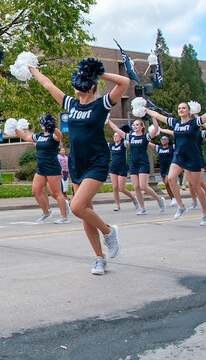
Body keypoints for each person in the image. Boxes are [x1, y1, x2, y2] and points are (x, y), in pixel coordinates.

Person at [29, 59, 128, 276]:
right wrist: (31, 68)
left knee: (77, 206)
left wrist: (98, 74)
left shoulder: (101, 104)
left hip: (96, 161)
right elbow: (48, 85)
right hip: (77, 163)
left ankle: (109, 232)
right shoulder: (71, 105)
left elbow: (124, 82)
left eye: (84, 81)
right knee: (85, 211)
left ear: (91, 86)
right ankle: (99, 258)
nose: (78, 85)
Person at [145, 99, 206, 225]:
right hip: (179, 156)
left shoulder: (195, 122)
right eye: (179, 108)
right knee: (170, 179)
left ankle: (205, 213)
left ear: (189, 110)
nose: (181, 110)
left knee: (196, 186)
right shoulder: (175, 123)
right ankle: (181, 206)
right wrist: (144, 109)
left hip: (193, 157)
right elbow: (158, 115)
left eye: (183, 108)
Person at [14, 116, 70, 223]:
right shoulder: (39, 136)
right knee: (36, 191)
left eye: (44, 123)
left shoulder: (53, 135)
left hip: (52, 167)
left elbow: (60, 135)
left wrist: (53, 128)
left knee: (57, 193)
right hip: (41, 168)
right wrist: (15, 129)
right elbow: (26, 137)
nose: (42, 125)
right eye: (42, 123)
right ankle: (46, 212)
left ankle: (64, 217)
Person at [109, 119, 163, 215]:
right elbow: (116, 129)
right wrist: (108, 119)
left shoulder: (145, 137)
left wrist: (153, 116)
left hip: (143, 163)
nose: (135, 126)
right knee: (136, 187)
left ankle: (159, 200)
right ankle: (143, 208)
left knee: (143, 186)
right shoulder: (130, 137)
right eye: (134, 125)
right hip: (133, 164)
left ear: (142, 127)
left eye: (137, 125)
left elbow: (155, 128)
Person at [107, 131, 137, 211]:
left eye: (117, 136)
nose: (115, 137)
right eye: (114, 136)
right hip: (113, 167)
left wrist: (132, 135)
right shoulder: (111, 145)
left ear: (120, 138)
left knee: (122, 188)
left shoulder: (123, 144)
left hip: (122, 167)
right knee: (115, 187)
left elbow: (129, 142)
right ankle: (117, 205)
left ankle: (134, 199)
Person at [151, 135, 177, 205]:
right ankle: (173, 198)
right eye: (162, 139)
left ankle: (176, 196)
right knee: (166, 185)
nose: (163, 140)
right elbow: (150, 144)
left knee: (167, 182)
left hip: (170, 167)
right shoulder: (160, 148)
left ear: (168, 141)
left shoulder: (172, 147)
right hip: (163, 168)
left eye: (165, 139)